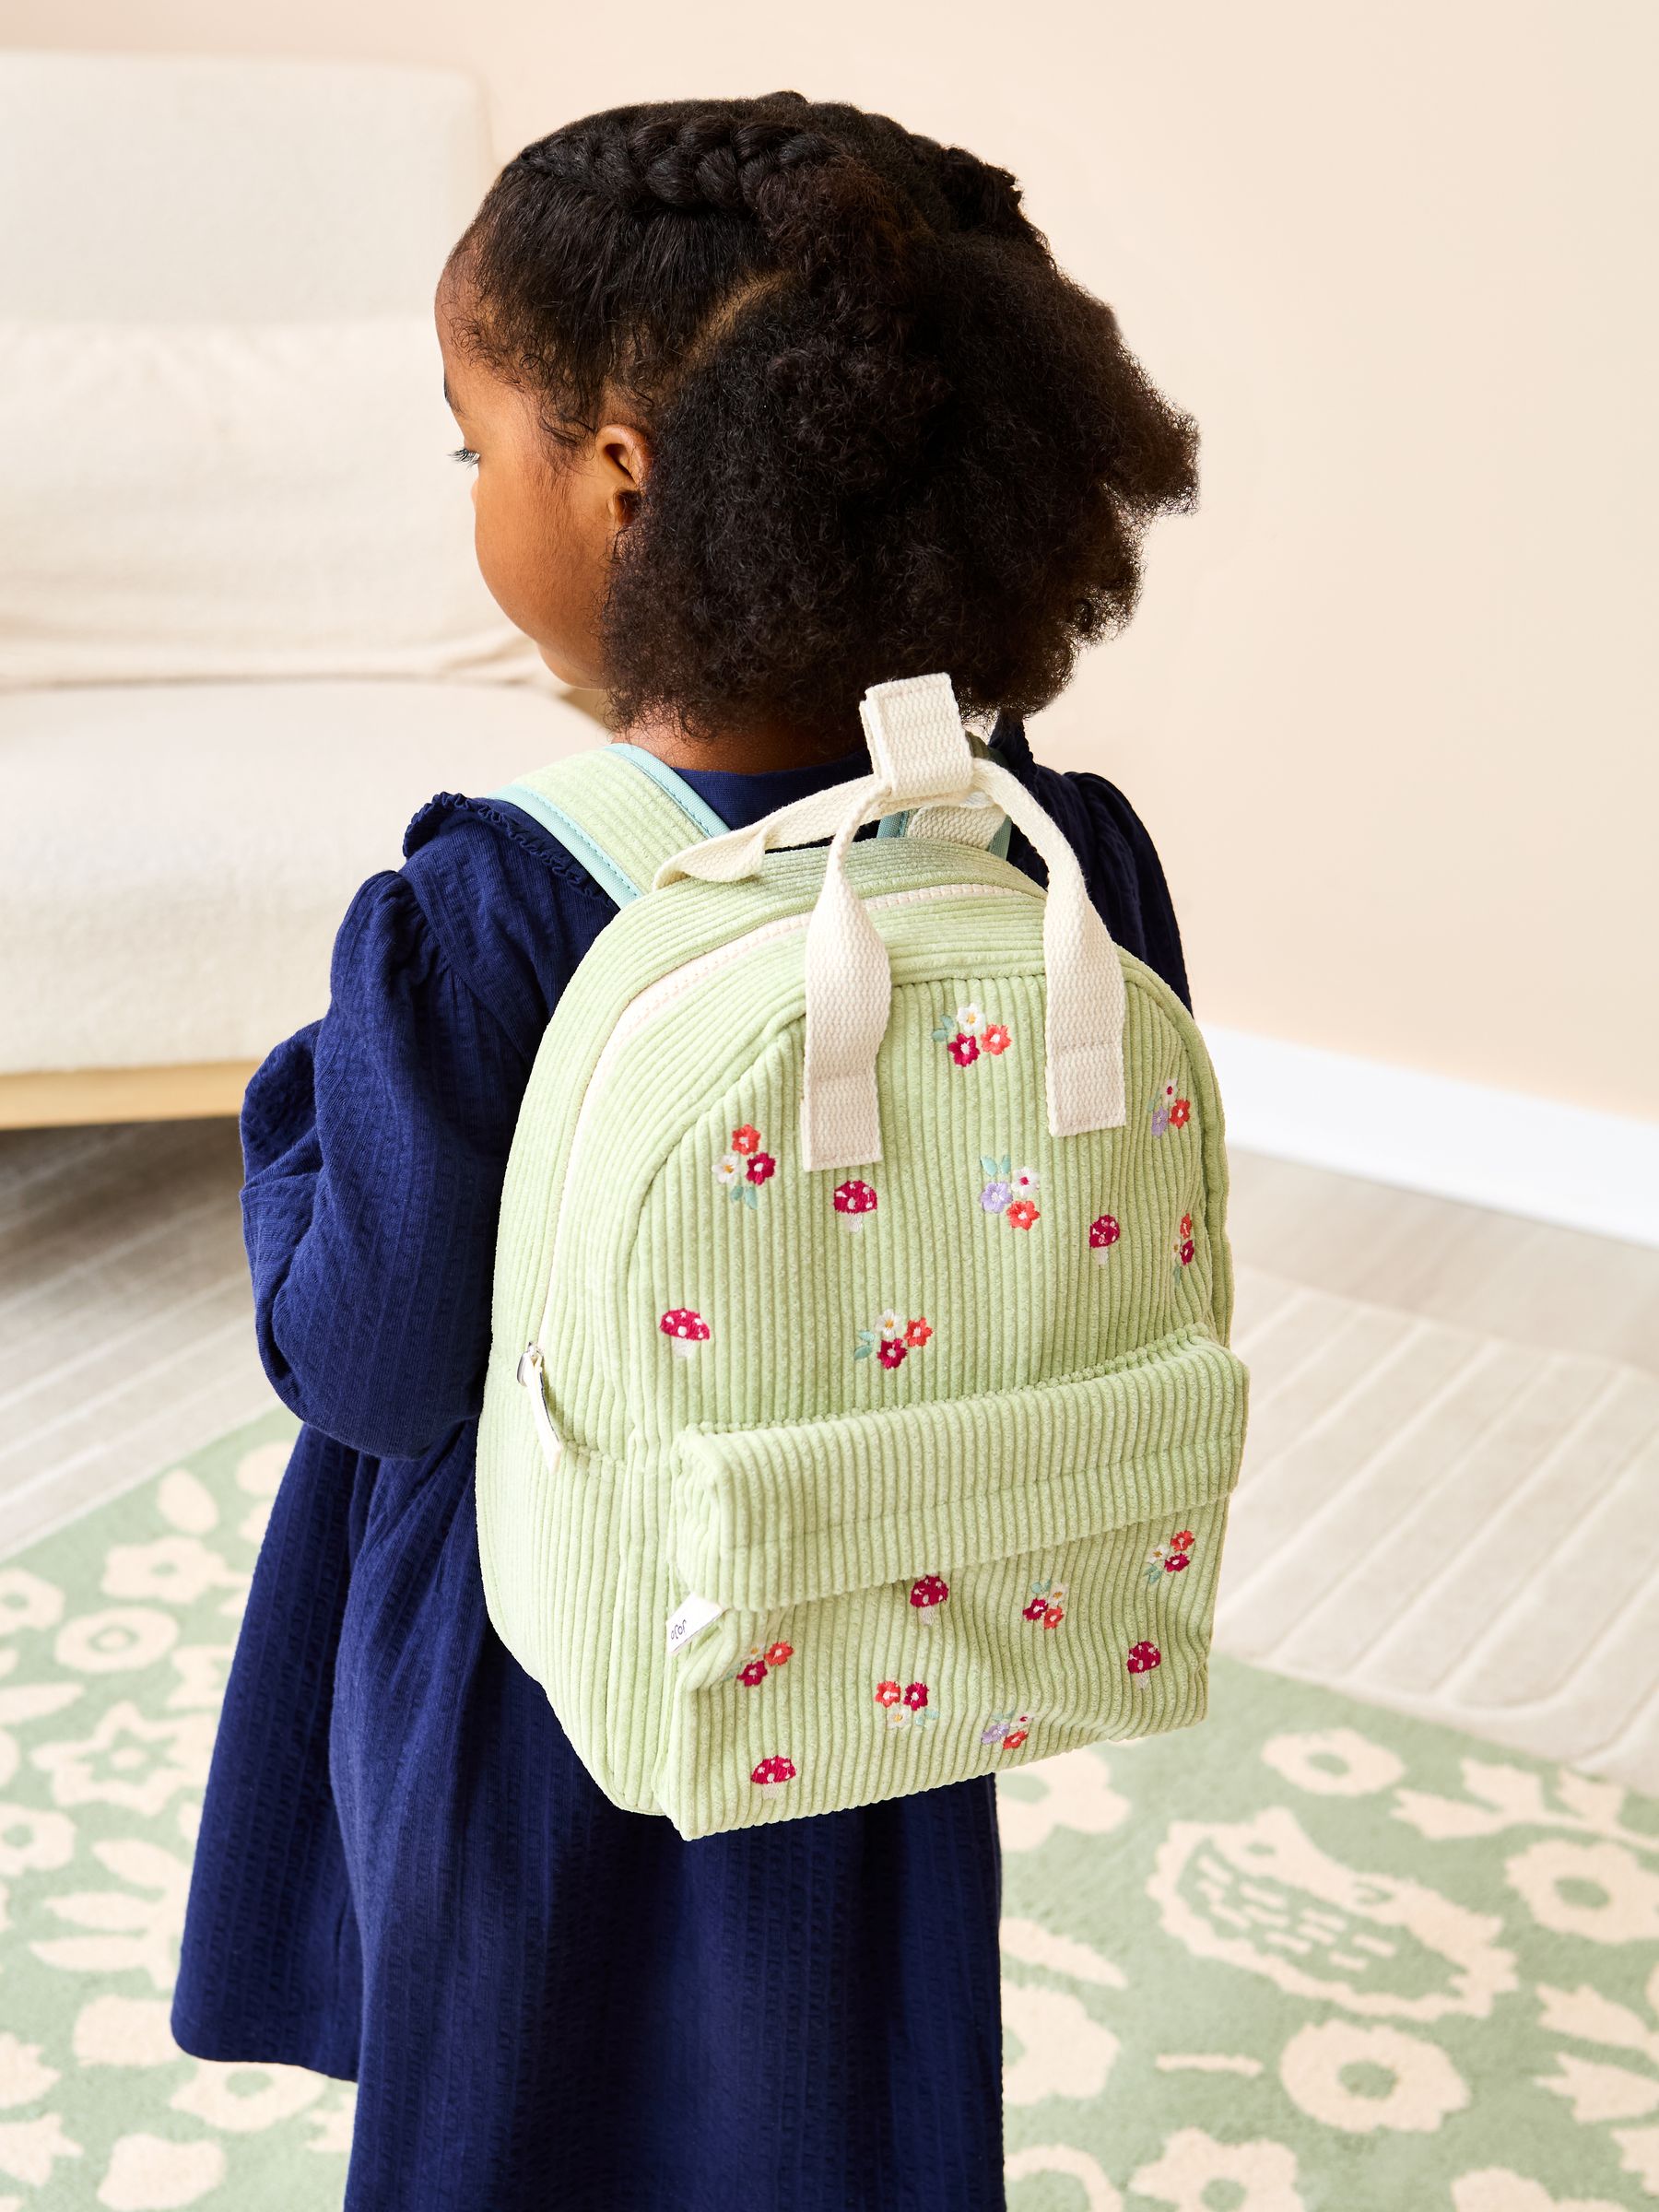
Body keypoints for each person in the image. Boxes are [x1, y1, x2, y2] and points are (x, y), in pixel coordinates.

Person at [171, 89, 1199, 2212]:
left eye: (481, 445)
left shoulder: (495, 909)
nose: (473, 487)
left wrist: (299, 1130)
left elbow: (365, 1356)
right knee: (835, 2079)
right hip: (878, 1610)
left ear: (621, 482)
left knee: (512, 2090)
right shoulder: (1060, 860)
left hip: (548, 1658)